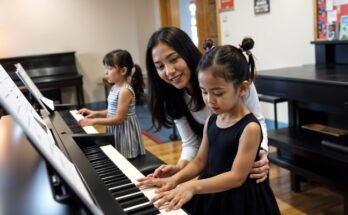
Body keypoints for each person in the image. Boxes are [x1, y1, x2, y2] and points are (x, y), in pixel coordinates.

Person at [137, 41, 280, 215]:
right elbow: (199, 161)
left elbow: (236, 177)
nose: (209, 100)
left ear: (242, 88)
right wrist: (174, 180)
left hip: (240, 200)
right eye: (204, 91)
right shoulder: (213, 119)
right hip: (212, 191)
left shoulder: (250, 128)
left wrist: (193, 186)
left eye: (217, 93)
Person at [145, 26, 269, 182]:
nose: (169, 71)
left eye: (174, 59)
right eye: (160, 66)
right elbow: (191, 144)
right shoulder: (173, 96)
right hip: (214, 172)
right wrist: (180, 167)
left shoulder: (232, 78)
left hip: (246, 171)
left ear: (187, 52)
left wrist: (262, 151)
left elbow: (257, 120)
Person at [78, 49, 146, 159]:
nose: (106, 72)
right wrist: (94, 113)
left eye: (109, 68)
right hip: (116, 130)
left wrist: (94, 121)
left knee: (124, 161)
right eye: (106, 68)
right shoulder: (115, 87)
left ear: (123, 71)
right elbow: (112, 111)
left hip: (124, 132)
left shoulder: (125, 91)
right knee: (116, 158)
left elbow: (119, 119)